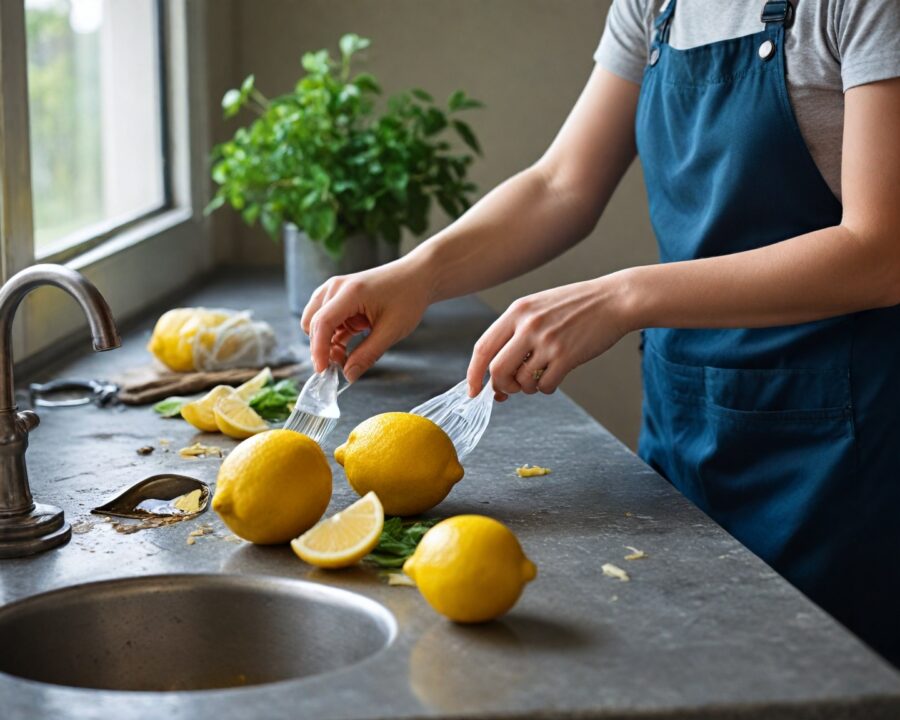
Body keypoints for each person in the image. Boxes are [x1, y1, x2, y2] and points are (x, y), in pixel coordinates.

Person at [302, 0, 900, 664]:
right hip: (686, 423)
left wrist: (624, 295)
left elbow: (882, 252)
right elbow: (562, 184)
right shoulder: (655, 5)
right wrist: (419, 272)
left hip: (839, 451)